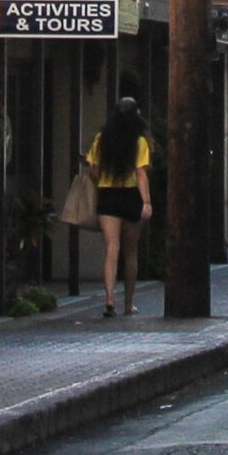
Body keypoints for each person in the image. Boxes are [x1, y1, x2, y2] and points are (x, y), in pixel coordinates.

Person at [87, 95, 152, 319]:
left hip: (108, 196)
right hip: (131, 195)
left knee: (111, 249)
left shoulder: (101, 139)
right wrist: (146, 202)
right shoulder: (139, 141)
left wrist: (101, 182)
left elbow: (93, 171)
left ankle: (109, 299)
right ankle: (128, 303)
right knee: (131, 252)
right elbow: (141, 173)